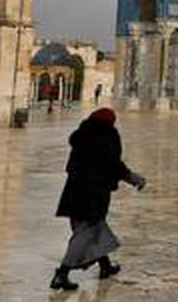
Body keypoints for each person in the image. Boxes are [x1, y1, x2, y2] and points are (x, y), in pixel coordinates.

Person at [51, 108, 146, 291]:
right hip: (93, 194)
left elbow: (70, 166)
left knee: (95, 228)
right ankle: (62, 274)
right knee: (86, 232)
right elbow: (114, 165)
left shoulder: (81, 135)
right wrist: (134, 179)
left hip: (74, 191)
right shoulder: (107, 136)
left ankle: (105, 266)